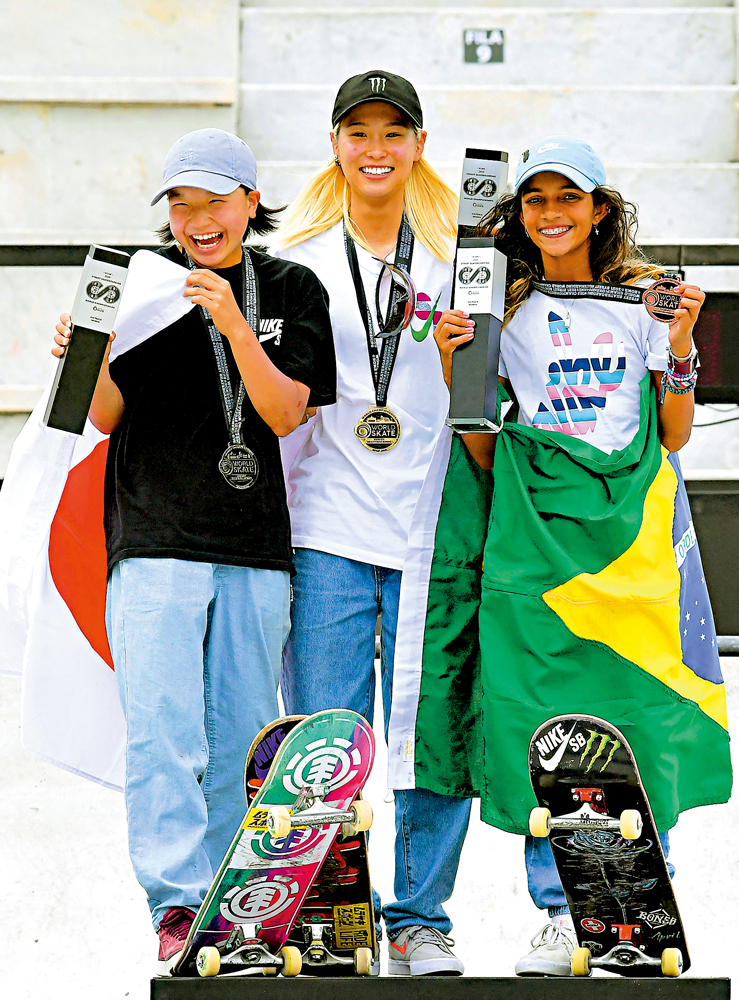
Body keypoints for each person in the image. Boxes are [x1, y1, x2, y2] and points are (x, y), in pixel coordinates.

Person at [432, 135, 728, 975]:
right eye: (536, 199)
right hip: (535, 543)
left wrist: (678, 343)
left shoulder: (647, 300)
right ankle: (564, 916)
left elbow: (672, 435)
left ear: (601, 208)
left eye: (570, 197)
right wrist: (463, 369)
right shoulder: (500, 305)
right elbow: (486, 452)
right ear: (518, 212)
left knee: (640, 721)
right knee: (543, 732)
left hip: (629, 543)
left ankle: (636, 910)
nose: (552, 213)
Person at [52, 128, 335, 972]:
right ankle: (176, 905)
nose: (195, 219)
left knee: (243, 738)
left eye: (213, 200)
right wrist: (86, 351)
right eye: (180, 203)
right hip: (153, 539)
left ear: (251, 201)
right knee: (164, 732)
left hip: (253, 545)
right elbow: (99, 415)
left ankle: (232, 903)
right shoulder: (139, 284)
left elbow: (285, 415)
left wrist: (231, 320)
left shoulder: (291, 285)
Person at [273, 70, 470, 976]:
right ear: (335, 145)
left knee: (430, 731)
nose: (377, 149)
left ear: (420, 145)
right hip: (330, 524)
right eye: (359, 132)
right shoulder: (299, 257)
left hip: (434, 525)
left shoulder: (460, 259)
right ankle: (331, 909)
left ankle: (419, 916)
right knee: (325, 730)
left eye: (395, 132)